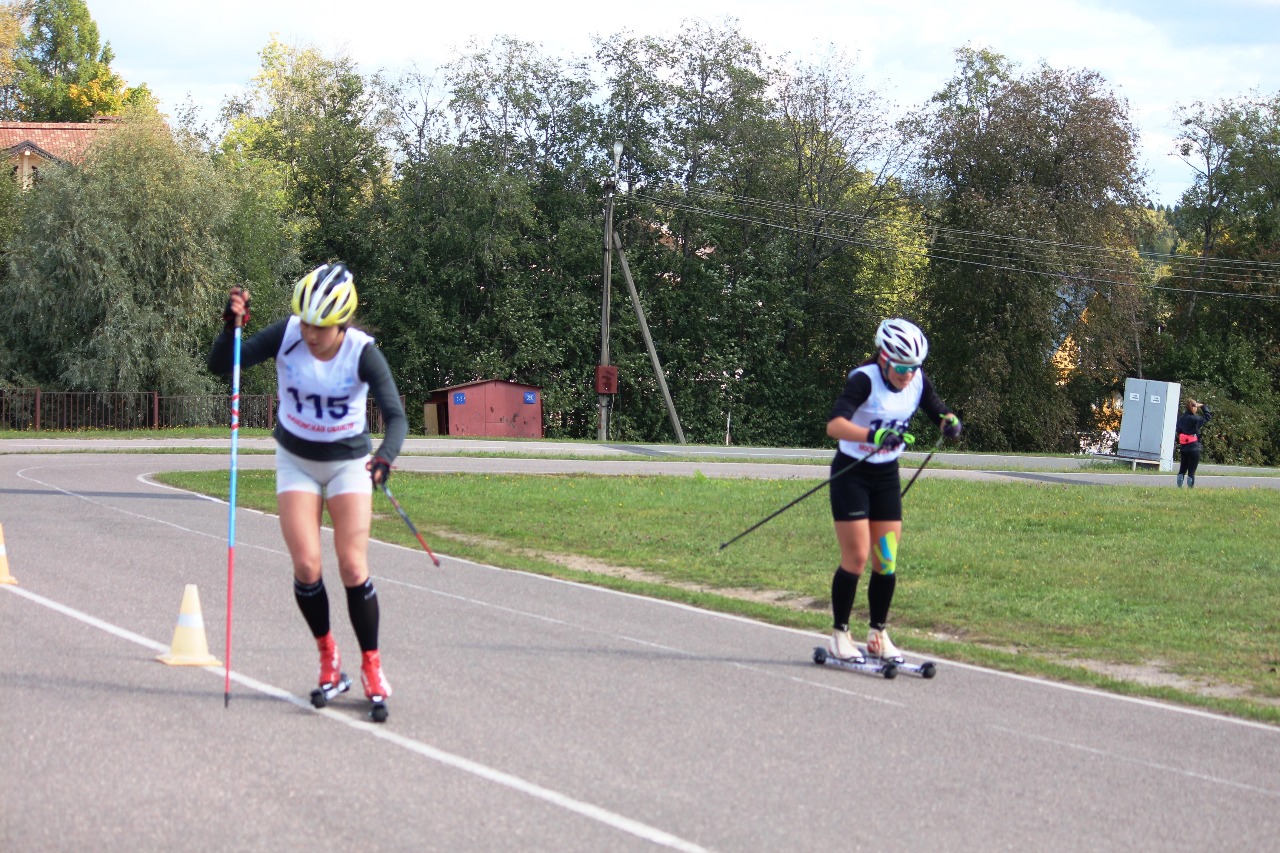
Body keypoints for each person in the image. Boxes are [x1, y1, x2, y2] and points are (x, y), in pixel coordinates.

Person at [208, 263, 408, 710]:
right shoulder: (288, 335)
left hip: (348, 464)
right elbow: (224, 365)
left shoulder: (362, 352)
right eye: (306, 321)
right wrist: (230, 328)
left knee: (353, 567)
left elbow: (396, 416)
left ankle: (372, 665)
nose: (311, 332)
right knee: (306, 566)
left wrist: (384, 457)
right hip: (296, 461)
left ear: (342, 323)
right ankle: (328, 658)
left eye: (322, 325)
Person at [824, 318, 960, 663]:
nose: (908, 374)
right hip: (852, 473)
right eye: (901, 366)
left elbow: (937, 409)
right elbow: (835, 425)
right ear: (884, 358)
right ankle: (840, 634)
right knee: (856, 559)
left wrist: (949, 421)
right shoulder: (863, 380)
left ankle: (878, 634)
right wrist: (874, 436)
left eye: (915, 367)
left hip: (885, 475)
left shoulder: (916, 381)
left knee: (885, 560)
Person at [1175, 398, 1212, 488]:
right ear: (1194, 407)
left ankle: (1179, 487)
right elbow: (1208, 417)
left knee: (1182, 469)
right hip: (1194, 447)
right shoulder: (1195, 418)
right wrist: (1203, 406)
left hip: (1184, 447)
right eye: (1195, 407)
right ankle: (1190, 488)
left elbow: (1178, 430)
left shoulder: (1181, 418)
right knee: (1191, 471)